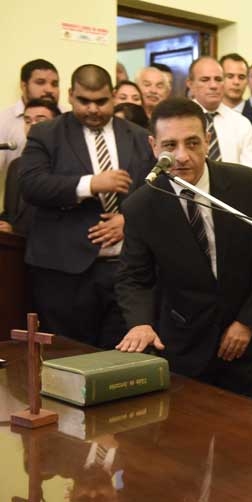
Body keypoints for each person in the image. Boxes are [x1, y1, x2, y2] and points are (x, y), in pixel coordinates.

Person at [115, 98, 252, 398]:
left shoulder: (251, 186)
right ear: (153, 146)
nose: (182, 156)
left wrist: (247, 322)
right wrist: (140, 323)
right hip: (182, 343)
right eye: (170, 145)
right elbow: (134, 277)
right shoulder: (141, 205)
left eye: (192, 143)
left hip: (243, 337)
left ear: (207, 140)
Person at [18, 64, 154, 349]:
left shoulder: (139, 136)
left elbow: (156, 190)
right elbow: (31, 185)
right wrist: (90, 184)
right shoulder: (46, 133)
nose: (93, 109)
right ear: (70, 95)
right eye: (84, 101)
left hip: (125, 271)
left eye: (101, 101)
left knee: (119, 361)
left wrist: (129, 220)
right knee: (67, 359)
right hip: (64, 272)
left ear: (114, 96)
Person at [0, 59, 60, 205]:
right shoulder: (3, 120)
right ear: (24, 85)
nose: (49, 89)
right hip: (19, 205)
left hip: (59, 202)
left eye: (54, 84)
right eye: (40, 82)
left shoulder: (68, 117)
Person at [187, 56, 252, 170]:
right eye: (205, 80)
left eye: (218, 79)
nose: (213, 86)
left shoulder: (241, 123)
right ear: (190, 84)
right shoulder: (178, 121)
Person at [0, 98, 61, 236]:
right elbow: (10, 214)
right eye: (27, 121)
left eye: (40, 120)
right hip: (14, 246)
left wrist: (15, 230)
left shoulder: (64, 165)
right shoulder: (16, 165)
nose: (32, 126)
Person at [219, 53, 252, 158]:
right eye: (230, 76)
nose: (236, 82)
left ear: (247, 80)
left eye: (241, 77)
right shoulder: (207, 116)